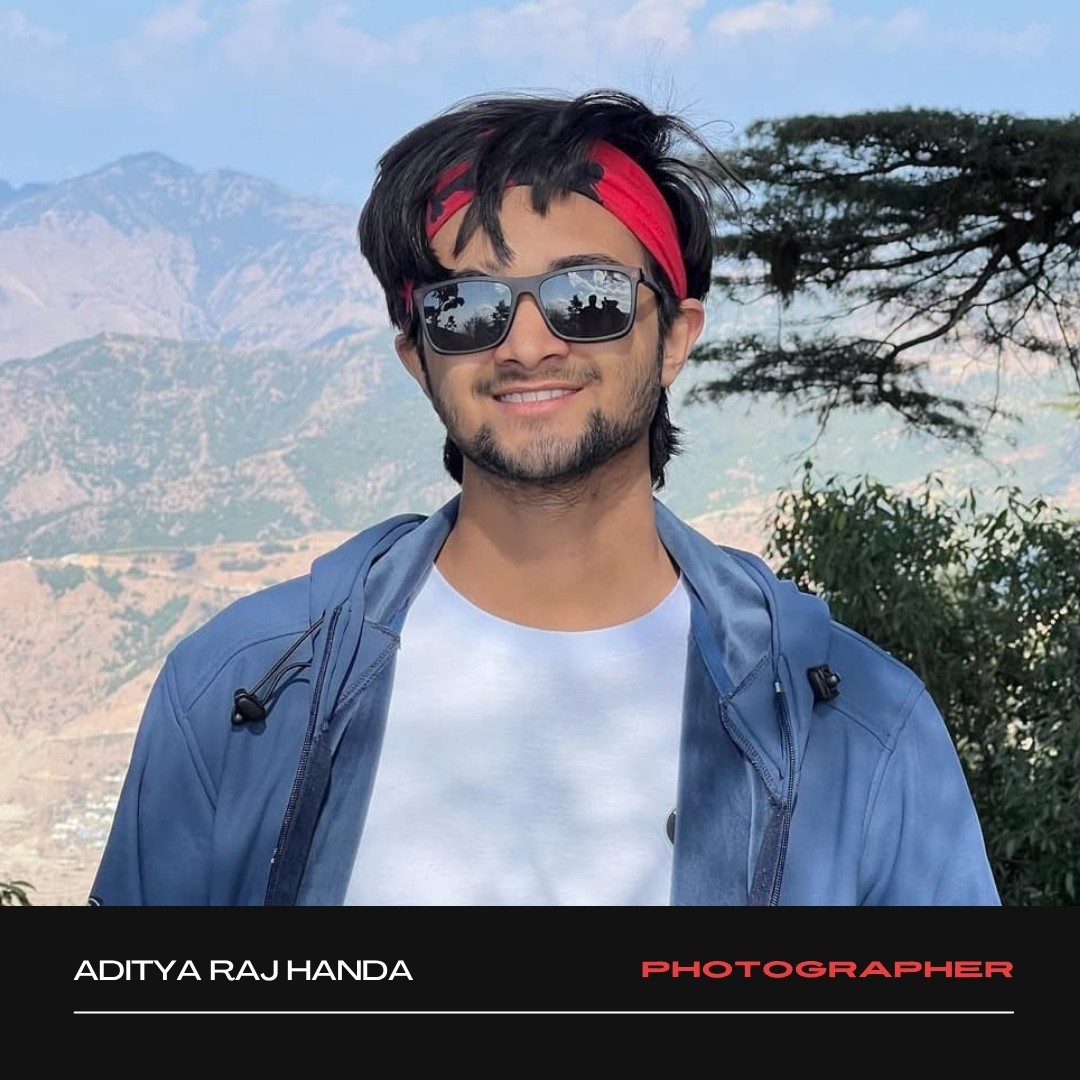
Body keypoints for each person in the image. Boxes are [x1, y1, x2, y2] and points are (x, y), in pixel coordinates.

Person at [89, 89, 1000, 906]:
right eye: (467, 306)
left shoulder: (858, 727)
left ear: (674, 337)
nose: (527, 346)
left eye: (589, 296)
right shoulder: (240, 692)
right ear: (417, 356)